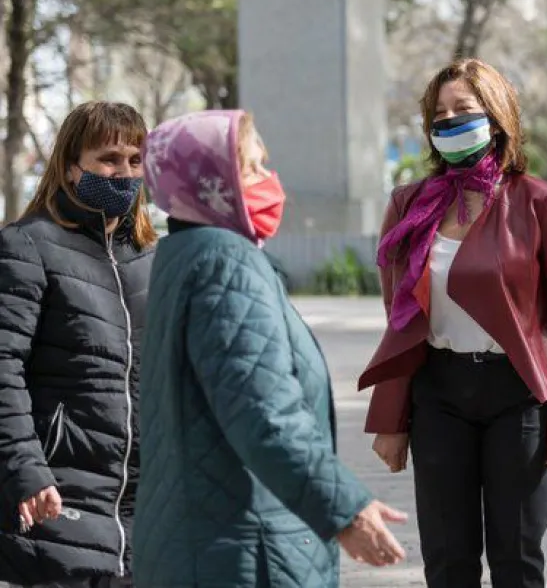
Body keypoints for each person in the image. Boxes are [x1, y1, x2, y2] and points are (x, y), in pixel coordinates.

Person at [132, 110, 407, 587]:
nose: (267, 181)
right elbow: (264, 413)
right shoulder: (223, 260)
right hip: (241, 551)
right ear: (210, 181)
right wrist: (345, 509)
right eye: (252, 168)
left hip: (211, 540)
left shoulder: (185, 253)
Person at [358, 58, 547, 588]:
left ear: (497, 116)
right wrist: (392, 418)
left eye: (464, 109)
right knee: (447, 560)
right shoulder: (410, 206)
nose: (450, 121)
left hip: (518, 394)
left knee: (517, 558)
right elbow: (399, 322)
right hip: (438, 394)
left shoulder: (538, 202)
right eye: (439, 113)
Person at [0, 102, 155, 587]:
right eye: (108, 158)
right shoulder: (26, 245)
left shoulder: (153, 257)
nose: (124, 172)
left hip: (144, 508)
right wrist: (26, 468)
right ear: (71, 166)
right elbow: (3, 368)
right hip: (59, 495)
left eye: (135, 159)